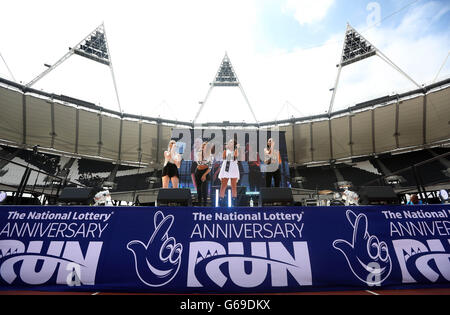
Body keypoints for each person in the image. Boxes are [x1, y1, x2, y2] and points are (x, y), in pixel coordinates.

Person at [218, 139, 240, 207]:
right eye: (230, 142)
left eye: (232, 142)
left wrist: (236, 148)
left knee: (234, 185)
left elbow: (234, 157)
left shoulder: (236, 150)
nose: (230, 143)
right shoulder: (225, 150)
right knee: (223, 185)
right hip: (226, 167)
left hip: (233, 168)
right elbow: (224, 158)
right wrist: (226, 149)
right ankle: (221, 202)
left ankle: (234, 202)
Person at [194, 142, 212, 207]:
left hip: (206, 172)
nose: (205, 147)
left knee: (205, 189)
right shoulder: (199, 153)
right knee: (199, 189)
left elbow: (210, 167)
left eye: (206, 146)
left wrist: (204, 174)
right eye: (204, 146)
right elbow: (200, 163)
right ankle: (199, 204)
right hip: (198, 171)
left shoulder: (210, 156)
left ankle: (205, 204)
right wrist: (206, 165)